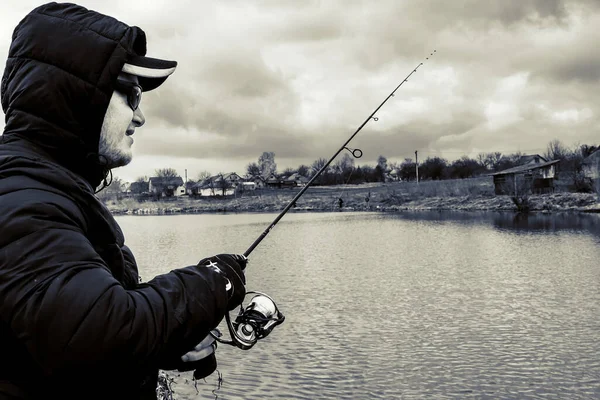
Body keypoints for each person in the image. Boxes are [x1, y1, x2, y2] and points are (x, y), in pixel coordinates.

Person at [0, 3, 248, 399]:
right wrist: (214, 281)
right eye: (131, 95)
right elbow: (98, 334)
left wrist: (162, 345)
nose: (140, 117)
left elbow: (51, 346)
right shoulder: (20, 196)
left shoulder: (44, 188)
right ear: (79, 96)